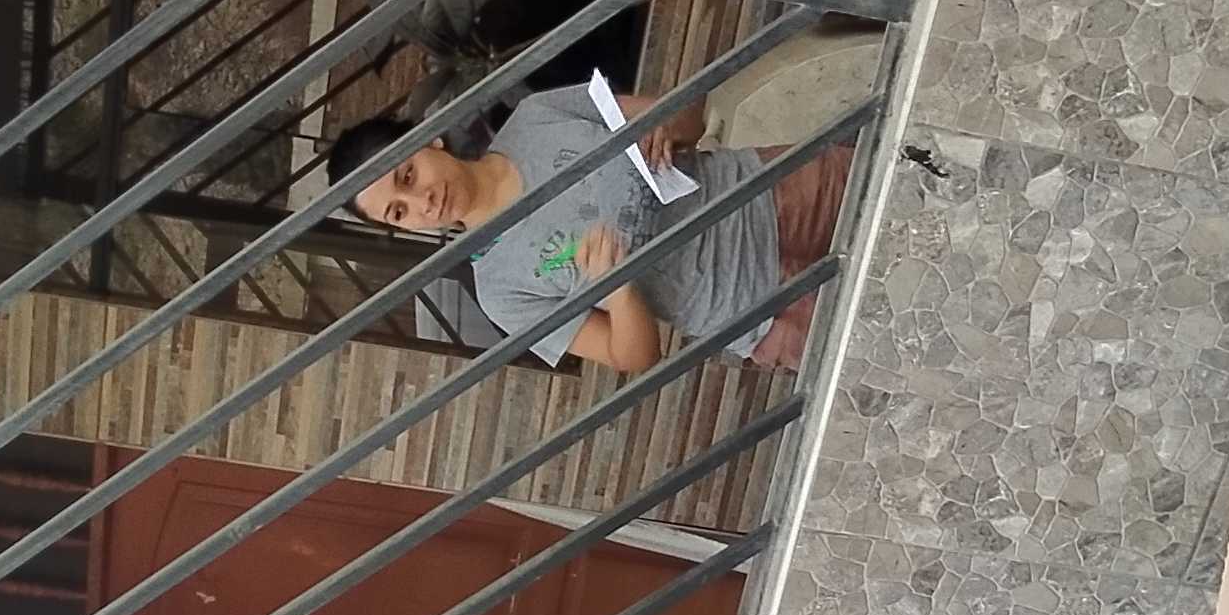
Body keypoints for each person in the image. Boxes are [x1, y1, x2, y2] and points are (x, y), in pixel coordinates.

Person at [327, 82, 852, 375]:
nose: (421, 202)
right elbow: (634, 358)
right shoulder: (501, 291)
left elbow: (691, 116)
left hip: (781, 191)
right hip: (762, 313)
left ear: (427, 142)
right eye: (399, 213)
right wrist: (618, 290)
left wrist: (662, 124)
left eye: (407, 176)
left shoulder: (537, 116)